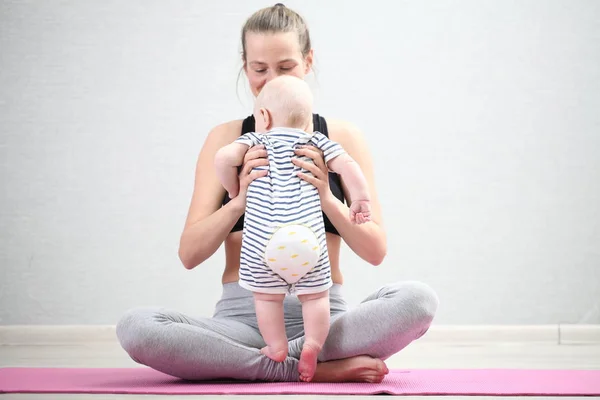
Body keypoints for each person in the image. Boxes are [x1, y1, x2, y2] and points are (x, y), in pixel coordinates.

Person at [116, 3, 439, 383]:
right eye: (259, 69)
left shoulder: (341, 138)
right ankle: (308, 369)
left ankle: (273, 365)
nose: (270, 80)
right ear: (244, 64)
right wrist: (238, 200)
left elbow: (375, 251)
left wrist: (326, 198)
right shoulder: (226, 141)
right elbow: (190, 254)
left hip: (325, 319)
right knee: (136, 327)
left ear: (308, 61)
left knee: (418, 300)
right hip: (242, 323)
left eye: (285, 67)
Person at [214, 74, 372, 381]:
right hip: (307, 243)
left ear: (264, 116)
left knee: (266, 298)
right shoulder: (317, 141)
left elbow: (223, 158)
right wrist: (360, 200)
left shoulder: (254, 141)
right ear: (308, 120)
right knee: (315, 297)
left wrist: (234, 190)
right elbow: (349, 166)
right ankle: (313, 343)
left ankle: (276, 348)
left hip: (264, 243)